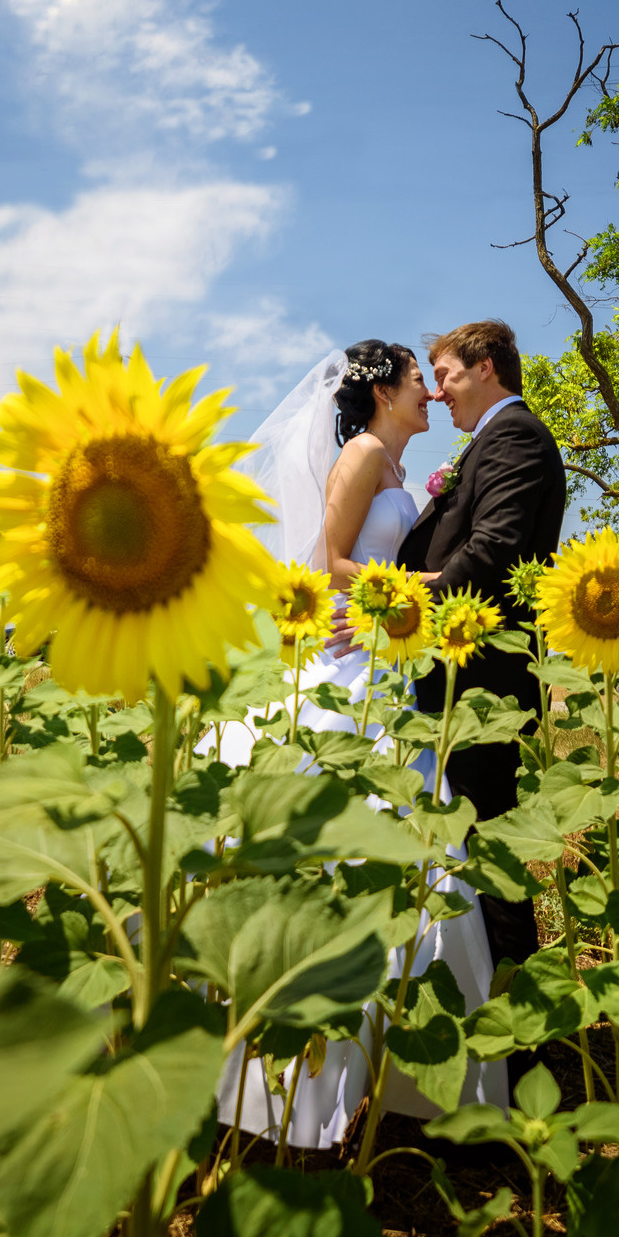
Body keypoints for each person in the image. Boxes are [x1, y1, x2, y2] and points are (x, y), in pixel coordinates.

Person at [218, 337, 509, 1150]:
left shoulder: (398, 473)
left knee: (412, 852)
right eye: (420, 378)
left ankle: (397, 1074)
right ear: (381, 390)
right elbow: (327, 559)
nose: (430, 391)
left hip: (389, 666)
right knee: (340, 847)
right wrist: (402, 597)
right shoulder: (360, 455)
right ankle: (295, 1081)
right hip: (355, 664)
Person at [399, 319, 564, 967]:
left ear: (487, 366)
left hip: (484, 679)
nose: (438, 393)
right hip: (456, 675)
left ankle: (516, 1022)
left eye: (445, 375)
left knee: (490, 848)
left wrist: (407, 606)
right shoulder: (492, 439)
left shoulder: (516, 434)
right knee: (470, 842)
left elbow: (494, 549)